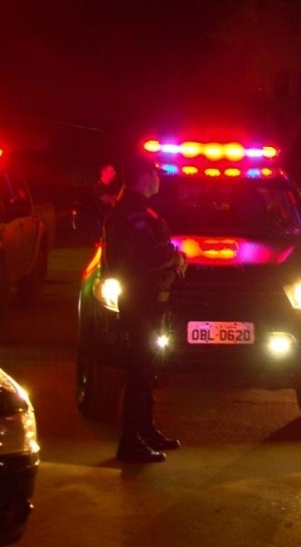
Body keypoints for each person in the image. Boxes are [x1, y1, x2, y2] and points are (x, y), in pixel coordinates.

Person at [103, 155, 188, 464]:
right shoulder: (133, 214)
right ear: (141, 178)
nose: (158, 178)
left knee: (149, 367)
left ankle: (145, 429)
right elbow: (148, 254)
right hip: (139, 300)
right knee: (140, 369)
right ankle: (129, 442)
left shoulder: (137, 210)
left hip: (147, 300)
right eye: (154, 173)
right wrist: (175, 258)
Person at [92, 163, 119, 237]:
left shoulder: (111, 188)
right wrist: (118, 197)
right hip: (103, 222)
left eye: (114, 172)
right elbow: (108, 200)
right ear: (103, 172)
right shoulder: (98, 187)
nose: (113, 174)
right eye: (111, 171)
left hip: (112, 221)